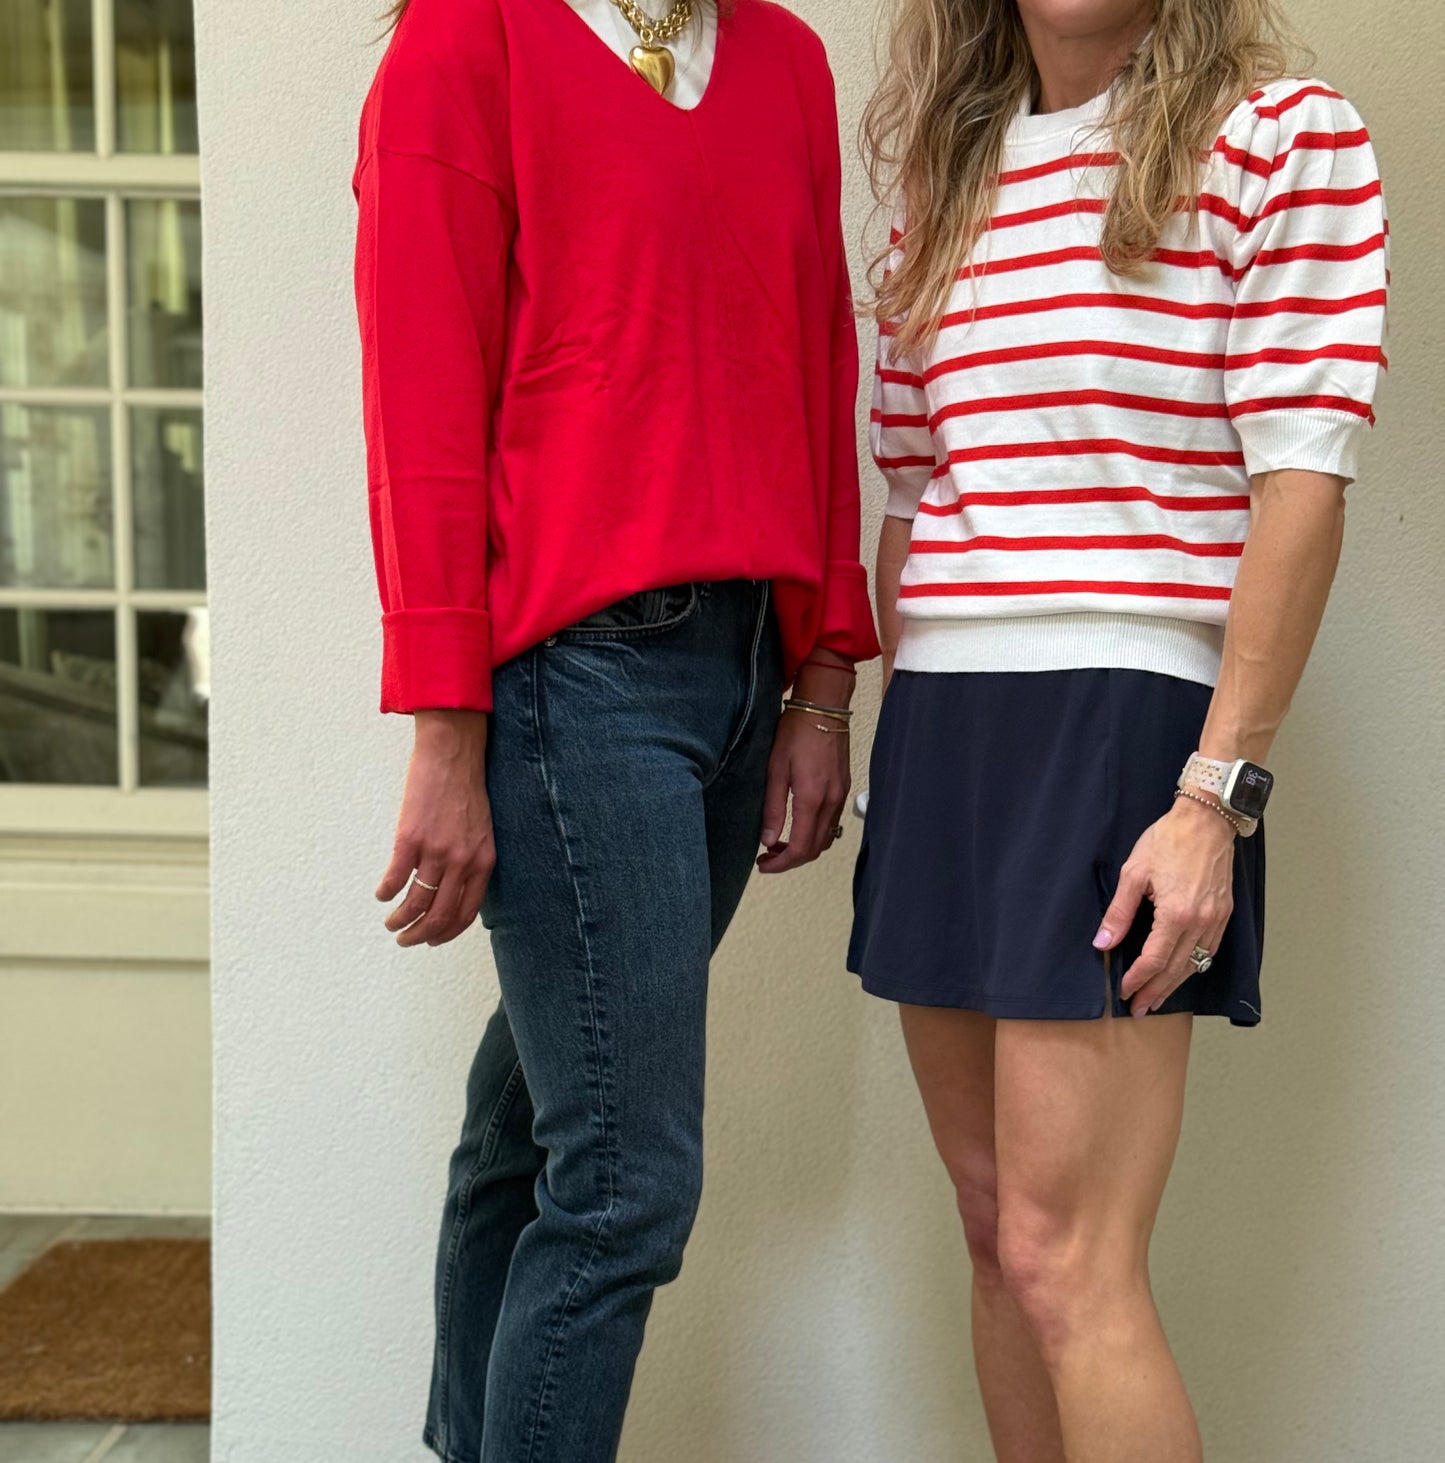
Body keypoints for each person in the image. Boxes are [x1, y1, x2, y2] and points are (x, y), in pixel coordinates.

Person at [852, 1, 1387, 1458]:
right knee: (989, 1234)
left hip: (1114, 726)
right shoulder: (939, 185)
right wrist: (885, 739)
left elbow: (1300, 483)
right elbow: (912, 494)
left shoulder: (1281, 137)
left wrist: (1213, 798)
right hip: (945, 724)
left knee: (1064, 1259)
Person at [352, 1, 880, 1459]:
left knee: (527, 1138)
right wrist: (445, 732)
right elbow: (420, 408)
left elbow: (815, 361)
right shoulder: (469, 44)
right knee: (624, 1189)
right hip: (569, 686)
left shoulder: (781, 57)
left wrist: (821, 672)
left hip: (735, 676)